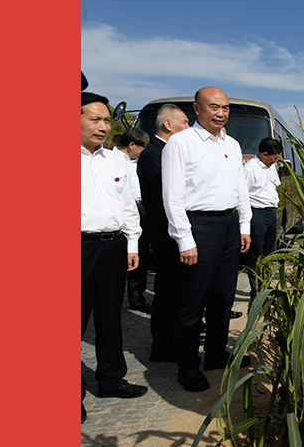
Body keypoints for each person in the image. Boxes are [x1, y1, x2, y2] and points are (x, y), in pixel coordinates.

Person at [162, 86, 253, 392]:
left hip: (229, 226)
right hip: (199, 226)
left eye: (225, 108)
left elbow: (241, 188)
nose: (220, 113)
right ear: (197, 109)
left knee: (223, 296)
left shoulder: (232, 144)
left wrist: (244, 226)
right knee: (192, 301)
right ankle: (187, 365)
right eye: (213, 107)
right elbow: (172, 196)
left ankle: (216, 354)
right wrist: (184, 239)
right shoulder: (181, 143)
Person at [81, 91, 148, 424]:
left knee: (110, 317)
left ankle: (111, 379)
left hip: (114, 246)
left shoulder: (117, 161)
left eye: (107, 120)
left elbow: (127, 207)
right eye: (94, 119)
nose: (103, 127)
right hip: (78, 248)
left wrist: (132, 244)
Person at [137, 104, 191, 362]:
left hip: (171, 232)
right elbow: (167, 195)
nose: (187, 128)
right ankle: (162, 346)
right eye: (184, 122)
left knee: (177, 289)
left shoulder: (165, 151)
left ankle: (174, 338)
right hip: (164, 232)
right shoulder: (153, 154)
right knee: (167, 290)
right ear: (168, 124)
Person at [240, 137, 284, 300]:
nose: (276, 160)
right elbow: (242, 195)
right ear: (265, 154)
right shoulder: (250, 169)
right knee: (256, 256)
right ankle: (256, 292)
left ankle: (265, 286)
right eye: (274, 157)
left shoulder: (271, 167)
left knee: (268, 253)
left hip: (271, 213)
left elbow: (274, 186)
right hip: (256, 214)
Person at [115, 127, 151, 313]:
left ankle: (137, 297)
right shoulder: (111, 160)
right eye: (142, 147)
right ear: (132, 145)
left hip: (139, 209)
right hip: (117, 212)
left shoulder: (136, 162)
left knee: (139, 254)